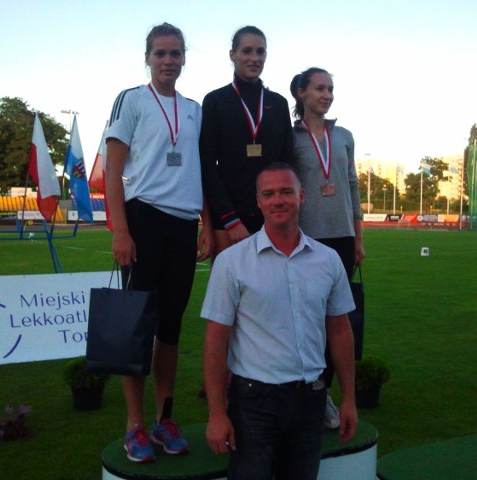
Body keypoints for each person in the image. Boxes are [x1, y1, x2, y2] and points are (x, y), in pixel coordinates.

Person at [201, 163, 358, 480]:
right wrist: (217, 414)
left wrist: (350, 399)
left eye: (286, 192)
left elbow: (340, 331)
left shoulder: (327, 260)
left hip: (311, 400)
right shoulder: (233, 262)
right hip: (253, 405)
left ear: (301, 196)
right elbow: (215, 340)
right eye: (269, 194)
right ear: (258, 201)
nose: (278, 200)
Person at [105, 22, 213, 463]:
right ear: (147, 58)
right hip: (144, 220)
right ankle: (134, 425)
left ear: (185, 58)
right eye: (160, 53)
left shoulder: (194, 109)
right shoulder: (130, 100)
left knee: (170, 328)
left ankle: (165, 418)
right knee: (136, 328)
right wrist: (121, 230)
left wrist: (206, 221)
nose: (169, 60)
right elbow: (113, 171)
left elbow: (198, 169)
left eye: (175, 53)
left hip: (184, 224)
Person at [289, 67, 365, 430]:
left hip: (342, 238)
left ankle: (323, 394)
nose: (327, 94)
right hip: (307, 238)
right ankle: (301, 390)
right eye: (320, 88)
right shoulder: (290, 138)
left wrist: (359, 238)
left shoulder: (345, 135)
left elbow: (351, 185)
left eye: (330, 88)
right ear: (301, 93)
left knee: (337, 320)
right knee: (306, 322)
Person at [200, 25, 293, 257]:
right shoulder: (215, 101)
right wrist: (230, 220)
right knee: (230, 290)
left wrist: (282, 213)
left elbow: (288, 163)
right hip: (228, 220)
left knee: (273, 288)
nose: (254, 58)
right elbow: (207, 166)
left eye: (260, 52)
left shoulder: (278, 104)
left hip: (271, 216)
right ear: (232, 55)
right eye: (247, 51)